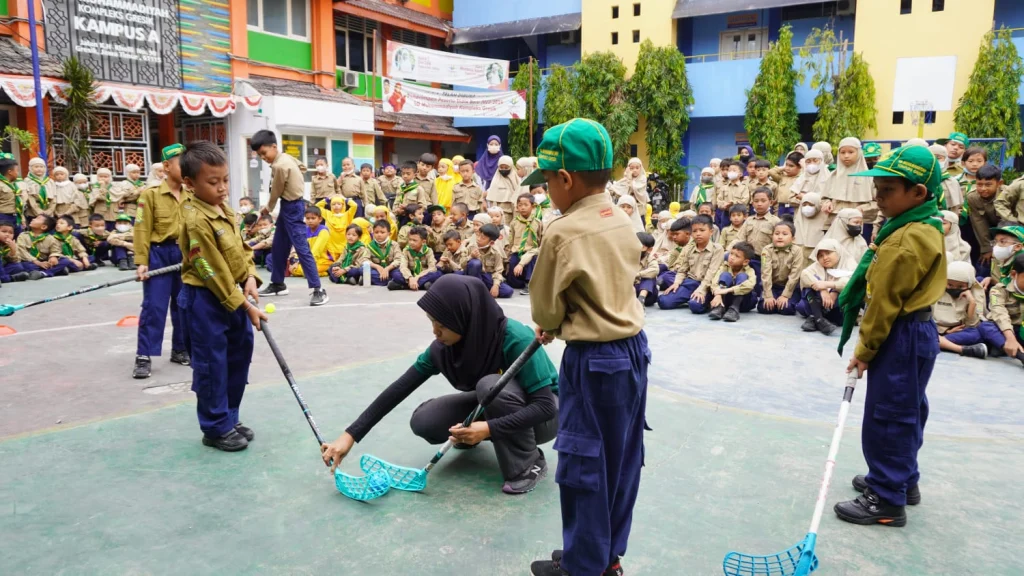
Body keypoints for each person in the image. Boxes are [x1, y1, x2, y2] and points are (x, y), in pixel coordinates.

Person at [522, 118, 649, 576]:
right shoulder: (621, 215)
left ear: (567, 178)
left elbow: (546, 311)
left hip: (594, 361)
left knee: (583, 465)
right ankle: (604, 556)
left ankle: (583, 567)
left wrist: (554, 323)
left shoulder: (562, 231)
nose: (546, 192)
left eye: (548, 182)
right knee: (621, 459)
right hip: (634, 351)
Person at [321, 274, 559, 494]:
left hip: (548, 416)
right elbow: (399, 388)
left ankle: (529, 464)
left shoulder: (515, 338)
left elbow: (545, 406)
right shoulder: (444, 348)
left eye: (442, 324)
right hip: (498, 403)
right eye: (432, 321)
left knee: (489, 385)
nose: (435, 331)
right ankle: (480, 435)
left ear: (464, 318)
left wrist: (488, 429)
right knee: (426, 420)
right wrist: (349, 436)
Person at [833, 144, 947, 528]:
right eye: (877, 188)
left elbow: (882, 304)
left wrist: (864, 350)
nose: (878, 198)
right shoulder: (922, 223)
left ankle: (885, 497)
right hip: (917, 330)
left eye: (888, 190)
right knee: (908, 407)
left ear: (918, 193)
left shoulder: (902, 240)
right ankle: (903, 480)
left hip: (901, 333)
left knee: (889, 414)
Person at [176, 141, 265, 452]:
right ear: (189, 183)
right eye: (213, 182)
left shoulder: (224, 208)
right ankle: (214, 427)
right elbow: (209, 270)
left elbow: (240, 249)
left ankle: (229, 416)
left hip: (235, 295)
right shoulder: (194, 218)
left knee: (238, 355)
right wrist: (245, 305)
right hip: (205, 300)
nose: (222, 188)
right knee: (212, 363)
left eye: (225, 179)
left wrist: (250, 277)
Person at [131, 144, 191, 379]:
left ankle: (180, 348)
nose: (186, 167)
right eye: (181, 162)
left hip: (185, 256)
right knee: (154, 307)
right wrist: (141, 260)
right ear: (166, 166)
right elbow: (141, 229)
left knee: (184, 305)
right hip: (159, 254)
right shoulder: (151, 195)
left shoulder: (192, 195)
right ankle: (144, 355)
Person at [251, 130, 329, 306]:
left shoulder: (280, 166)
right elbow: (301, 166)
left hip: (293, 207)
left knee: (302, 248)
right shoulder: (285, 158)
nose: (263, 157)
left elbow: (276, 191)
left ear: (274, 147)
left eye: (264, 153)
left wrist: (267, 208)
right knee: (279, 247)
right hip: (288, 206)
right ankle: (278, 283)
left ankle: (319, 290)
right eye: (259, 155)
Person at [935, 260, 998, 360]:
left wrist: (972, 302)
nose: (954, 288)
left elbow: (972, 324)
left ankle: (939, 343)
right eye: (950, 285)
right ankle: (963, 349)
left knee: (976, 333)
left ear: (969, 285)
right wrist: (946, 331)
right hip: (937, 331)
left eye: (960, 286)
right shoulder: (936, 291)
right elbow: (927, 319)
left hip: (960, 332)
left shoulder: (976, 293)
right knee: (924, 335)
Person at [797, 238, 852, 334]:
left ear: (837, 251)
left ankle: (814, 318)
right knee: (809, 287)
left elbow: (848, 283)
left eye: (828, 253)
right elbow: (804, 274)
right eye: (820, 256)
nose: (825, 258)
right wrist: (823, 290)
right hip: (820, 302)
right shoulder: (817, 266)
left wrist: (831, 287)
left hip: (838, 308)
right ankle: (819, 320)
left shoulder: (848, 264)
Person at [821, 137, 876, 233]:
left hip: (859, 224)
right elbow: (824, 198)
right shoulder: (833, 176)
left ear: (859, 153)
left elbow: (877, 203)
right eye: (842, 152)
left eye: (851, 152)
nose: (846, 156)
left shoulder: (869, 177)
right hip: (834, 222)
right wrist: (827, 203)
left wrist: (862, 208)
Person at [987, 226, 1024, 365]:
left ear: (1018, 246)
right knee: (986, 326)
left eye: (1002, 242)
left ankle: (1005, 346)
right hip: (1009, 322)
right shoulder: (1000, 260)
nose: (997, 246)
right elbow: (998, 310)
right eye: (996, 242)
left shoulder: (1021, 263)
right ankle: (1013, 348)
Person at [735, 187, 780, 291]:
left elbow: (778, 244)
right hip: (749, 259)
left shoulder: (775, 221)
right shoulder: (749, 221)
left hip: (765, 260)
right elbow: (739, 239)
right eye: (756, 201)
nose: (759, 204)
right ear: (752, 202)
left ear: (771, 202)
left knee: (761, 285)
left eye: (763, 201)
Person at [758, 221, 802, 316]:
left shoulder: (797, 251)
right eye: (776, 234)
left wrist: (785, 295)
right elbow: (766, 273)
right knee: (764, 308)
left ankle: (783, 302)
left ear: (793, 239)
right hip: (772, 286)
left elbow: (795, 275)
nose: (780, 237)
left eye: (785, 234)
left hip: (790, 287)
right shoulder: (766, 250)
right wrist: (768, 296)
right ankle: (775, 302)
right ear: (772, 236)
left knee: (787, 309)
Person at [966, 164, 1004, 271]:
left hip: (1007, 232)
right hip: (986, 235)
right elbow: (979, 223)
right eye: (979, 184)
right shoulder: (972, 197)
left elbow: (1008, 222)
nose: (983, 189)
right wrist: (987, 248)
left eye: (988, 185)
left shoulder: (1007, 195)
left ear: (999, 183)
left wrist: (1001, 246)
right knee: (983, 264)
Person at [707, 241, 757, 322]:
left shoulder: (750, 271)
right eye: (731, 253)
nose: (732, 257)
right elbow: (714, 282)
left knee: (742, 276)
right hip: (726, 300)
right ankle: (719, 307)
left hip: (743, 303)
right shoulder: (724, 267)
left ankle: (734, 309)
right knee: (725, 275)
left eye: (737, 256)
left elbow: (749, 285)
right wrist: (718, 294)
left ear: (746, 262)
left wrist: (726, 290)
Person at [464, 223, 512, 298]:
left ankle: (482, 290)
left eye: (483, 238)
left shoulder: (496, 252)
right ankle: (475, 290)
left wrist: (495, 285)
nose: (479, 239)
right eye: (478, 235)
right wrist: (471, 256)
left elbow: (498, 271)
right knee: (475, 263)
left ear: (491, 242)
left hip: (486, 277)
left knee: (508, 291)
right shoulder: (471, 247)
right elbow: (461, 265)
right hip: (471, 276)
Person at [508, 193, 542, 295]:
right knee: (513, 278)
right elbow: (511, 239)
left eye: (525, 205)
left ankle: (528, 283)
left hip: (531, 252)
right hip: (517, 252)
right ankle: (520, 281)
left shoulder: (537, 222)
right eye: (520, 205)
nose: (522, 207)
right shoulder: (514, 223)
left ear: (533, 206)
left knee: (534, 259)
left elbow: (540, 239)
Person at [386, 226, 438, 291]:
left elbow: (432, 268)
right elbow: (403, 267)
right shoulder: (406, 250)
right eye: (410, 239)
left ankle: (404, 286)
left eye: (414, 240)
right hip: (409, 274)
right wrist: (410, 278)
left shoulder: (428, 251)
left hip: (422, 275)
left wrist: (417, 277)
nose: (411, 242)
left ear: (423, 242)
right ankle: (421, 285)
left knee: (436, 274)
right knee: (395, 273)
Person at [289, 206, 332, 278]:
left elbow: (316, 251)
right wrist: (296, 262)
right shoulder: (305, 230)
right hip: (309, 260)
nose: (310, 221)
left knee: (304, 270)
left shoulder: (323, 231)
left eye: (313, 218)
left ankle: (325, 272)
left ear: (320, 219)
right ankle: (312, 272)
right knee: (294, 269)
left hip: (324, 261)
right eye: (307, 218)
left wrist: (304, 263)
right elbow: (301, 249)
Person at [314, 196, 357, 261]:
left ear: (343, 205)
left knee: (344, 262)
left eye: (339, 204)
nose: (336, 206)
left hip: (344, 245)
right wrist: (326, 200)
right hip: (331, 246)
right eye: (333, 204)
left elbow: (354, 205)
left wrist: (346, 200)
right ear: (331, 205)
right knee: (332, 263)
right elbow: (317, 206)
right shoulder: (328, 214)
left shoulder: (347, 215)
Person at [928, 144, 964, 214]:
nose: (935, 160)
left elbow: (956, 208)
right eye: (931, 157)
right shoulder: (922, 180)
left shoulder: (953, 182)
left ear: (946, 159)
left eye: (938, 157)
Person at [794, 192, 827, 263]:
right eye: (804, 205)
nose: (807, 207)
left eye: (811, 205)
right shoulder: (798, 221)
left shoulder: (826, 222)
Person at [487, 156, 520, 225]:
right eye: (501, 167)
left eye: (506, 167)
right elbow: (492, 197)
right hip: (497, 215)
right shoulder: (496, 180)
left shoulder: (516, 179)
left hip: (511, 214)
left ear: (511, 167)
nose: (503, 169)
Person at [716, 160, 749, 229]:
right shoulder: (724, 187)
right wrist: (723, 205)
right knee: (725, 230)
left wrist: (732, 204)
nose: (731, 172)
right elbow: (719, 201)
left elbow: (745, 201)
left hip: (740, 215)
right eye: (729, 170)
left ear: (741, 174)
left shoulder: (744, 187)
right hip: (726, 214)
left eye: (734, 170)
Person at [769, 152, 803, 218]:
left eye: (791, 166)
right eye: (786, 165)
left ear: (799, 167)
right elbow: (771, 172)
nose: (787, 168)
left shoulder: (802, 178)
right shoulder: (782, 176)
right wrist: (782, 168)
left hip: (795, 207)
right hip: (782, 206)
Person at [365, 220, 398, 286]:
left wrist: (387, 269)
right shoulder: (370, 246)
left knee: (398, 274)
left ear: (389, 233)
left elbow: (398, 259)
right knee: (363, 269)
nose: (379, 235)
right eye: (376, 232)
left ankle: (374, 280)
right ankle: (390, 281)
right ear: (373, 233)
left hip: (390, 270)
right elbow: (364, 259)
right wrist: (377, 267)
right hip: (377, 271)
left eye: (382, 232)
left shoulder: (394, 245)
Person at [635, 231, 659, 307]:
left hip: (648, 295)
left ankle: (641, 300)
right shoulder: (626, 257)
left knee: (649, 277)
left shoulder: (650, 259)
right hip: (631, 291)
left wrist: (637, 274)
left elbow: (655, 270)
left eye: (640, 245)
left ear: (649, 249)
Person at [0, 153, 20, 232]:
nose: (18, 173)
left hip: (15, 216)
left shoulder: (13, 184)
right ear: (10, 172)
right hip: (3, 217)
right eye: (17, 171)